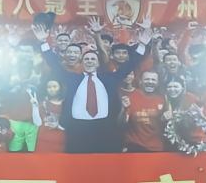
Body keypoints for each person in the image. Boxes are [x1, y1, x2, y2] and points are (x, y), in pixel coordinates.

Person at [33, 19, 150, 153]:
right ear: (82, 62)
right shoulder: (72, 79)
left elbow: (129, 66)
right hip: (77, 131)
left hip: (104, 129)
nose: (89, 61)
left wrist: (142, 45)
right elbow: (54, 64)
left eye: (93, 59)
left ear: (98, 63)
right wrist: (43, 41)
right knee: (77, 163)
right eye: (86, 59)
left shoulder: (109, 79)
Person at [120, 70, 166, 152]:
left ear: (158, 83)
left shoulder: (163, 99)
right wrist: (124, 109)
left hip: (156, 148)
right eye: (147, 79)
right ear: (140, 81)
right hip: (134, 147)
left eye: (153, 80)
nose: (150, 82)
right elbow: (121, 123)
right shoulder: (130, 97)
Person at [35, 78, 65, 153]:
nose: (51, 89)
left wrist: (58, 125)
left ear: (60, 88)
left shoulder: (67, 104)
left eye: (54, 86)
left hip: (61, 142)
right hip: (43, 142)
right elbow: (37, 122)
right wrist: (34, 107)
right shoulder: (42, 104)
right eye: (49, 87)